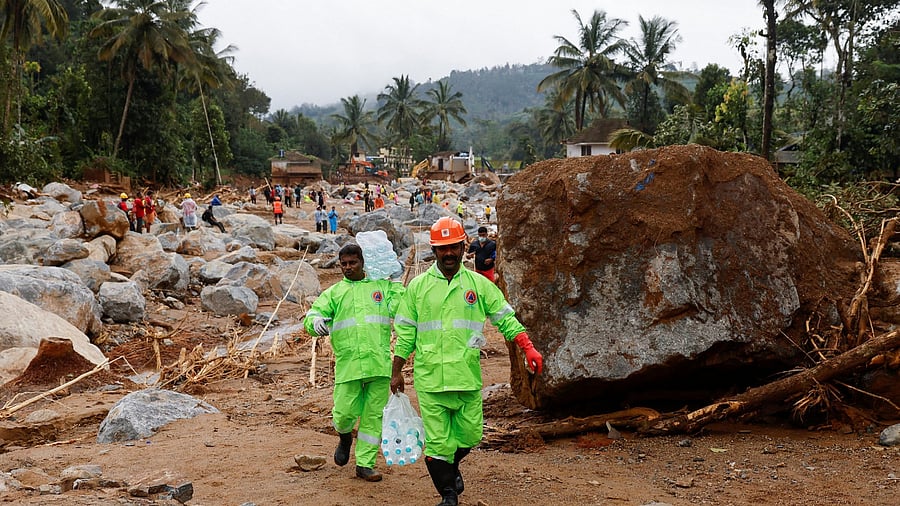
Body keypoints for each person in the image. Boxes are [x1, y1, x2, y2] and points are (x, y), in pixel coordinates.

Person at [391, 217, 543, 506]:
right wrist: (396, 372)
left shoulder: (478, 285)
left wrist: (528, 347)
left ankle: (450, 469)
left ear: (464, 247)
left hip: (467, 377)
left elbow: (505, 319)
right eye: (442, 248)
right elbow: (406, 334)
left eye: (453, 247)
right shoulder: (418, 288)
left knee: (470, 436)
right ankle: (449, 495)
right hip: (431, 379)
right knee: (438, 444)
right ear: (434, 251)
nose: (448, 254)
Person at [304, 244, 405, 483]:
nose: (348, 268)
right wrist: (315, 321)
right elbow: (313, 314)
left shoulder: (380, 288)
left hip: (378, 366)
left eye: (353, 263)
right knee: (343, 414)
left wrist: (396, 281)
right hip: (348, 366)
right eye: (344, 264)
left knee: (373, 418)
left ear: (363, 263)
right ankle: (345, 437)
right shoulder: (335, 292)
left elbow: (401, 308)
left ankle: (365, 464)